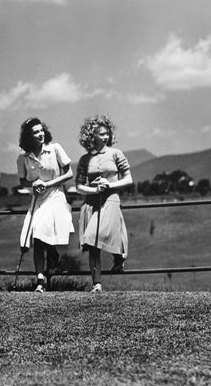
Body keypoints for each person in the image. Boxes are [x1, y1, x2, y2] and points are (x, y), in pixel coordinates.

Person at [16, 117, 75, 292]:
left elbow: (69, 174)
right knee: (36, 235)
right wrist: (33, 184)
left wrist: (48, 184)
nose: (40, 134)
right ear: (28, 137)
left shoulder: (55, 149)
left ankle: (52, 255)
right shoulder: (23, 158)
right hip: (38, 199)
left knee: (43, 229)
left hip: (56, 195)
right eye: (36, 132)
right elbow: (22, 181)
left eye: (42, 130)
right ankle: (40, 279)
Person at [75, 115, 132, 293]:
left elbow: (129, 179)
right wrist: (93, 190)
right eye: (102, 134)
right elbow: (78, 186)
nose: (106, 137)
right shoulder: (85, 159)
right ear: (92, 135)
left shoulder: (116, 154)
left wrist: (110, 185)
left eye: (107, 133)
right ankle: (97, 284)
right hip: (92, 202)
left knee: (98, 234)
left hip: (111, 199)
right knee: (92, 242)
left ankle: (119, 256)